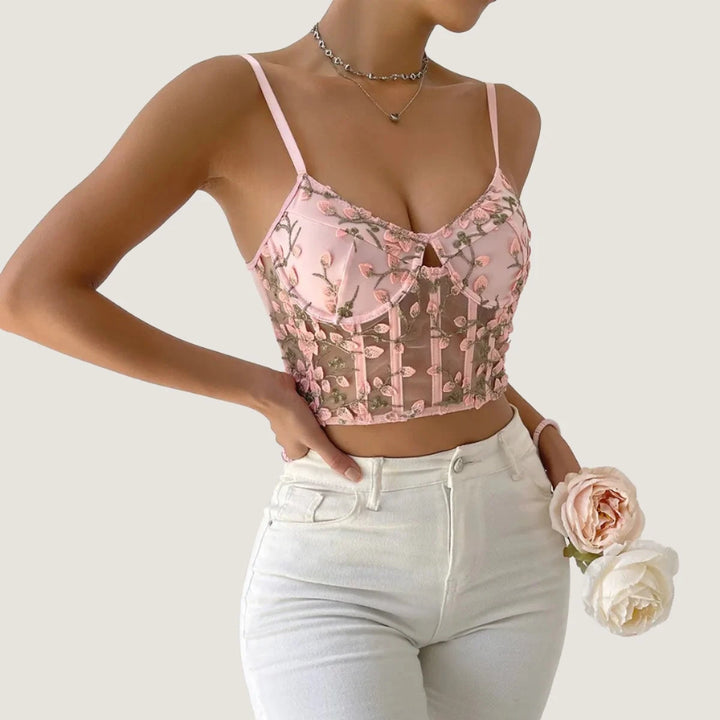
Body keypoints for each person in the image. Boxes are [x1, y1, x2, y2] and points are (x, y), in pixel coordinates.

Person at [0, 1, 581, 718]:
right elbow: (29, 294)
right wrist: (260, 390)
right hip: (341, 557)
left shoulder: (505, 116)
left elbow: (441, 338)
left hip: (515, 537)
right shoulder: (235, 97)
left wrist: (543, 431)